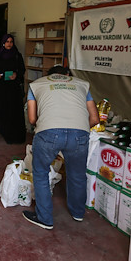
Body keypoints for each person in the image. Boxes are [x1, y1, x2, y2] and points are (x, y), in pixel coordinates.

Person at [23, 65, 99, 230]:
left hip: (49, 131)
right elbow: (94, 118)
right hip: (79, 132)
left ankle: (45, 218)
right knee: (77, 175)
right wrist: (76, 129)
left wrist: (50, 126)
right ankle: (78, 213)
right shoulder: (81, 84)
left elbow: (31, 119)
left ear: (49, 75)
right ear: (67, 75)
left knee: (41, 173)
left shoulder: (37, 84)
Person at [0, 34, 26, 144]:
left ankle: (14, 131)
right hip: (1, 87)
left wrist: (16, 74)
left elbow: (22, 69)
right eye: (7, 42)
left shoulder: (17, 55)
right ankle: (3, 129)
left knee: (13, 109)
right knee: (2, 108)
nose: (9, 44)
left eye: (11, 42)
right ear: (3, 43)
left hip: (13, 87)